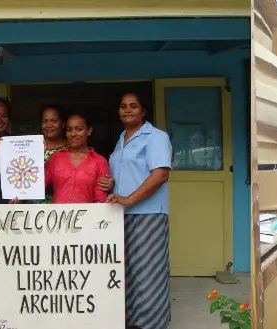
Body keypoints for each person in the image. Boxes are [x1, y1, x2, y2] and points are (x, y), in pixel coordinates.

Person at [105, 92, 173, 329]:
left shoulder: (156, 137)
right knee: (129, 271)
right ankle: (133, 321)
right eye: (123, 106)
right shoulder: (122, 138)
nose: (127, 110)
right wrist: (110, 185)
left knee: (148, 273)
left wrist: (130, 199)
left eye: (134, 106)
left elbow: (160, 174)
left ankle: (151, 324)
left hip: (149, 214)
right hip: (122, 215)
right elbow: (125, 175)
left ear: (143, 111)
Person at [45, 112, 110, 203]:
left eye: (79, 129)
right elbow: (38, 185)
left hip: (87, 216)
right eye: (69, 130)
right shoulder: (55, 158)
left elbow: (100, 198)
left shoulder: (99, 161)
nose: (73, 134)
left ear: (89, 131)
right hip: (58, 216)